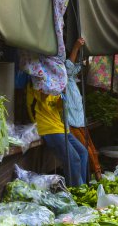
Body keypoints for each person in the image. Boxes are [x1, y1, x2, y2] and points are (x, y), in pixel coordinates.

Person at [27, 79, 88, 186]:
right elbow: (42, 97)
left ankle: (81, 187)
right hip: (48, 129)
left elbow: (60, 107)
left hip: (60, 128)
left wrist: (63, 93)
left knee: (83, 153)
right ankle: (77, 190)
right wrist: (54, 86)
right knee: (73, 159)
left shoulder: (55, 84)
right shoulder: (36, 83)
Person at [64, 37, 102, 180]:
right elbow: (69, 67)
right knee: (85, 152)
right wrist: (75, 48)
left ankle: (95, 176)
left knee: (91, 151)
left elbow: (75, 67)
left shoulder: (73, 81)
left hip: (80, 122)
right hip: (72, 124)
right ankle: (92, 178)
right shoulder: (65, 79)